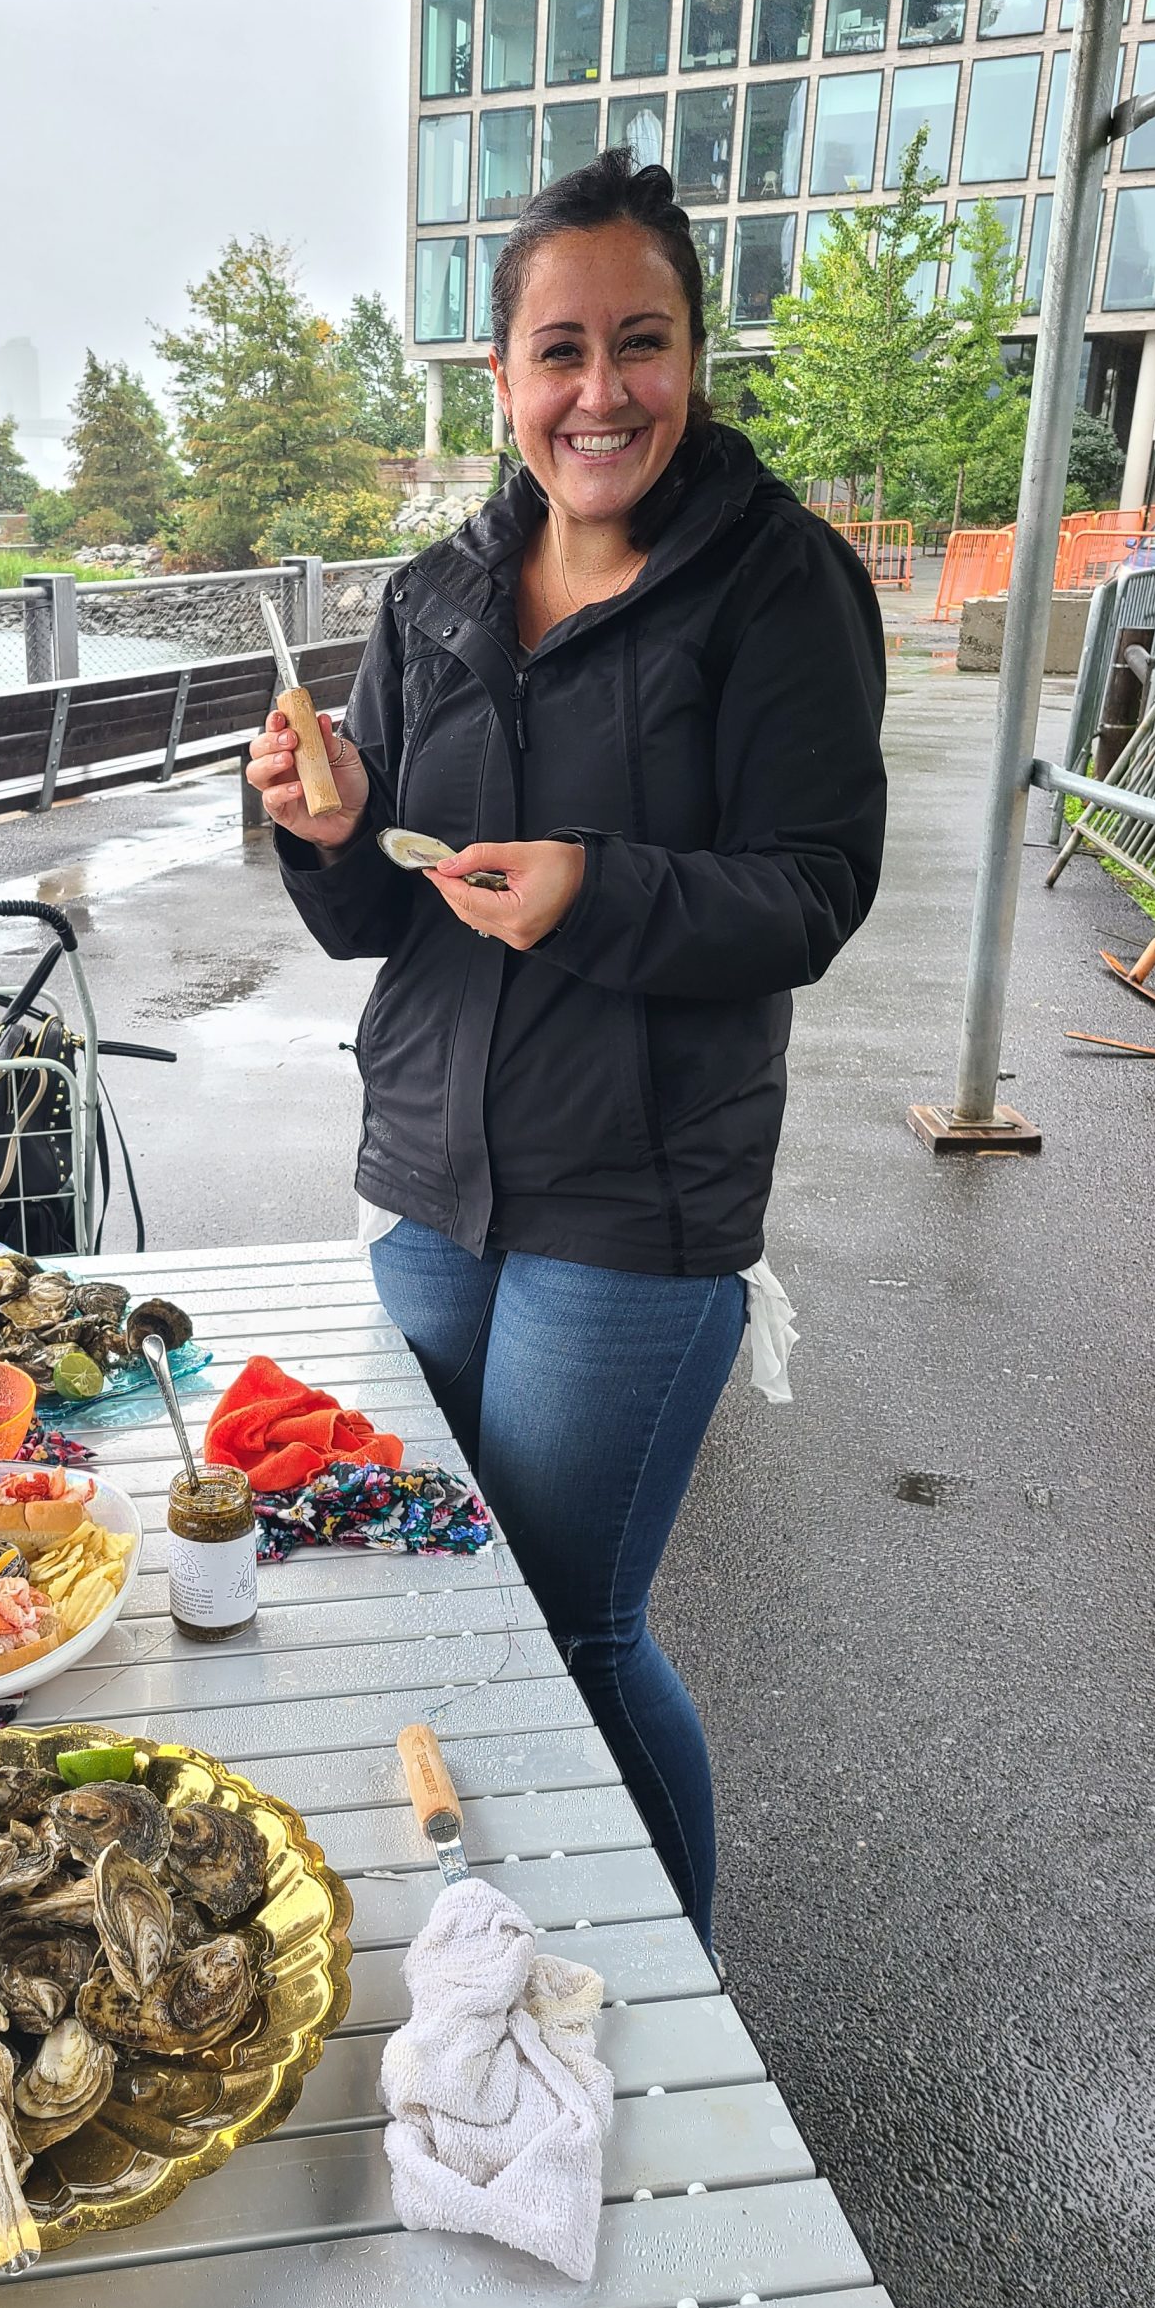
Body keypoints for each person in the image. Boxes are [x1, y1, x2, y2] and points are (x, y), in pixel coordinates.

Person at [246, 155, 886, 1953]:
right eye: (559, 350)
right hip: (432, 1178)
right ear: (503, 374)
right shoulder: (434, 594)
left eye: (640, 342)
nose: (599, 391)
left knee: (573, 1617)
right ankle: (492, 1921)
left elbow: (813, 894)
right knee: (435, 1593)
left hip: (640, 1194)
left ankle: (666, 1981)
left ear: (692, 353)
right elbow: (379, 912)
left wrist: (595, 890)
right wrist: (325, 816)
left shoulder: (780, 585)